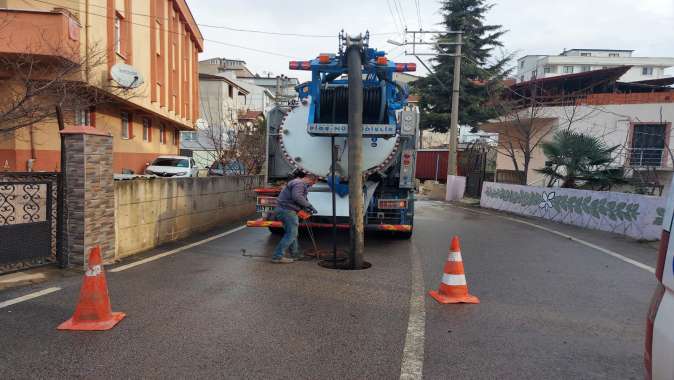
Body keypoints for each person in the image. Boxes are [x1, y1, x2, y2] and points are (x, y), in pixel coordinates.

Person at [271, 173, 318, 263]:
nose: (311, 185)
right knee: (291, 234)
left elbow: (300, 197)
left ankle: (295, 254)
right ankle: (277, 256)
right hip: (287, 211)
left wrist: (306, 207)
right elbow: (297, 197)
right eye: (312, 183)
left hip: (283, 210)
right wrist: (309, 206)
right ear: (310, 179)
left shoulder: (297, 183)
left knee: (292, 233)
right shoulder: (299, 184)